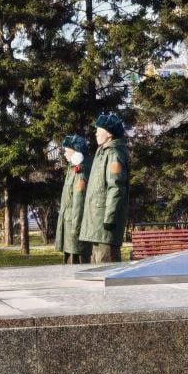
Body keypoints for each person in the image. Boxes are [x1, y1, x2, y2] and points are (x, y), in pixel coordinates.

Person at [78, 112, 131, 264]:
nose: (95, 133)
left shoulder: (114, 154)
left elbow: (116, 187)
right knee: (96, 268)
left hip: (105, 224)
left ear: (108, 134)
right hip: (97, 224)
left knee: (107, 268)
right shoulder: (101, 153)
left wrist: (110, 218)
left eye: (99, 130)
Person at [54, 134, 92, 265]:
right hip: (69, 224)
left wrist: (76, 228)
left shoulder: (80, 171)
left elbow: (79, 201)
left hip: (74, 227)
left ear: (76, 151)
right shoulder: (72, 169)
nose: (64, 153)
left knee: (76, 264)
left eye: (67, 150)